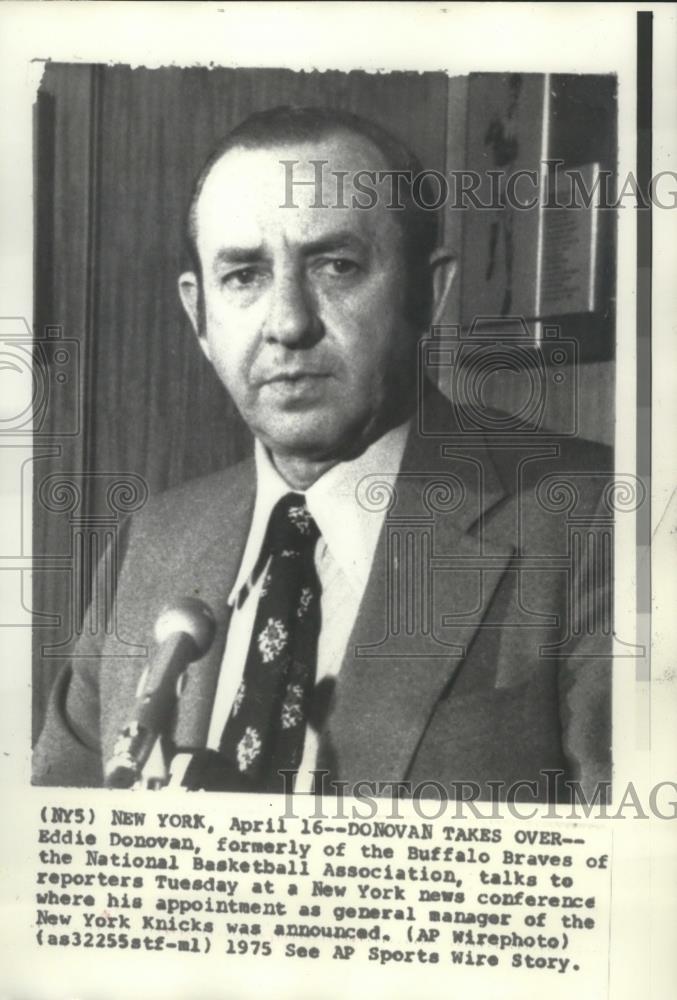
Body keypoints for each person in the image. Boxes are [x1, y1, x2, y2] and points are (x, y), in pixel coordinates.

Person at [33, 106, 612, 801]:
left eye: (335, 266)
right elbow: (46, 856)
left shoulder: (592, 521)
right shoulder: (152, 541)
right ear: (198, 315)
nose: (288, 322)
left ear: (426, 294)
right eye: (244, 275)